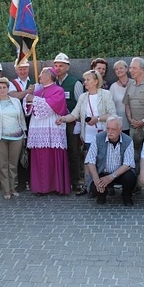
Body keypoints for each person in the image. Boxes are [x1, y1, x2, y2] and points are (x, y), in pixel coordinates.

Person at [56, 70, 116, 195]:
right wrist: (64, 118)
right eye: (85, 80)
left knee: (105, 159)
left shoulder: (105, 94)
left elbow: (112, 114)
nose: (85, 83)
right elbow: (74, 114)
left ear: (96, 81)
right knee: (89, 159)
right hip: (88, 134)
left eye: (88, 80)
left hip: (104, 132)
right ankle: (88, 185)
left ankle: (107, 186)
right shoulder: (83, 97)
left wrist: (98, 119)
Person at [23, 67, 70, 195]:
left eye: (41, 74)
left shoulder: (58, 90)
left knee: (55, 155)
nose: (39, 77)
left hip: (52, 126)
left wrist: (34, 99)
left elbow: (52, 106)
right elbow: (29, 107)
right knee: (40, 156)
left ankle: (57, 186)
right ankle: (41, 187)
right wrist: (29, 98)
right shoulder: (39, 91)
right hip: (38, 127)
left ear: (49, 76)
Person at [0, 77, 27, 199]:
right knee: (2, 165)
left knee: (13, 164)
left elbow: (22, 119)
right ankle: (6, 190)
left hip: (17, 136)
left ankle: (13, 187)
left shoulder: (16, 101)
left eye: (4, 87)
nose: (2, 90)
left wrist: (25, 135)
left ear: (8, 88)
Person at [85, 115, 136, 205]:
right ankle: (102, 194)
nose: (110, 132)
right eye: (108, 129)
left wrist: (111, 177)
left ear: (120, 129)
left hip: (120, 174)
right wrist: (96, 180)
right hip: (102, 172)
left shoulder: (128, 140)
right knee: (94, 188)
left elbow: (128, 164)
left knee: (130, 177)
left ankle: (126, 195)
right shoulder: (97, 138)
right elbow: (90, 161)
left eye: (113, 129)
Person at [54, 52, 84, 192]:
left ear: (67, 67)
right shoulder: (51, 82)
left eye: (61, 65)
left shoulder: (75, 82)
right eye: (55, 65)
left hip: (71, 124)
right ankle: (60, 181)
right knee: (58, 153)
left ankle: (76, 181)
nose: (58, 68)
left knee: (73, 152)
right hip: (55, 125)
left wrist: (78, 123)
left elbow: (80, 105)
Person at [10, 59, 35, 192]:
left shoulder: (36, 80)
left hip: (33, 120)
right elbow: (13, 96)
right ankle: (21, 182)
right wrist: (27, 92)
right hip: (18, 120)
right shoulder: (11, 83)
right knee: (19, 151)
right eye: (20, 68)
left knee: (32, 151)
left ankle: (32, 181)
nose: (23, 71)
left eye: (25, 68)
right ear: (16, 70)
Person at [109, 60, 131, 135]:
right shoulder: (113, 87)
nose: (119, 70)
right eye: (116, 69)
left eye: (121, 68)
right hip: (119, 123)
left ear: (126, 69)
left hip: (134, 122)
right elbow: (110, 105)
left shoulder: (134, 83)